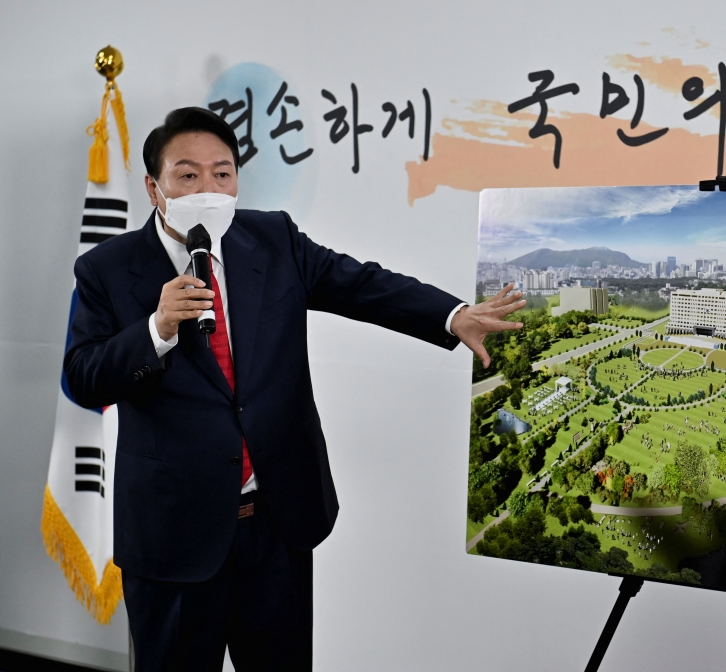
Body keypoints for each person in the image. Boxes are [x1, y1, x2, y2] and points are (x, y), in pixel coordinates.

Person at [64, 107, 524, 671]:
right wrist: (155, 329)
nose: (208, 188)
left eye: (222, 173)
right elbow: (82, 377)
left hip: (276, 521)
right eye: (187, 175)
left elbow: (362, 284)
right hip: (174, 534)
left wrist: (451, 316)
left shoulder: (272, 237)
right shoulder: (107, 269)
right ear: (154, 187)